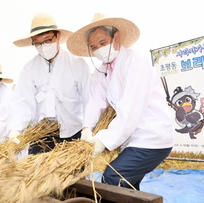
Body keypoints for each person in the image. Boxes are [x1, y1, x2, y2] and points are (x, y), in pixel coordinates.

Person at [66, 13, 175, 190]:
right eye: (94, 47)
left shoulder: (135, 63)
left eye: (103, 43)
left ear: (116, 36)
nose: (99, 50)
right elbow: (96, 100)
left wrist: (102, 140)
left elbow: (130, 109)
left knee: (113, 177)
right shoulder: (102, 71)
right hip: (132, 140)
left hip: (151, 138)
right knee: (129, 187)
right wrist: (87, 128)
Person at [8, 13, 91, 154]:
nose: (43, 46)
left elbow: (89, 98)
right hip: (41, 136)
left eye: (47, 40)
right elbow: (23, 103)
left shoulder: (77, 64)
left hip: (72, 133)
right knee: (36, 174)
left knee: (75, 175)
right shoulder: (29, 69)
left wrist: (88, 127)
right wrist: (15, 130)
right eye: (38, 43)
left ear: (58, 36)